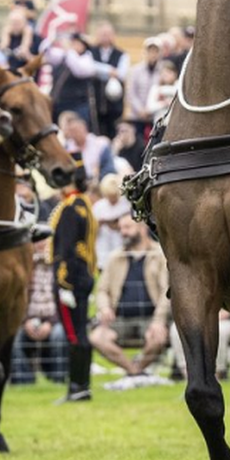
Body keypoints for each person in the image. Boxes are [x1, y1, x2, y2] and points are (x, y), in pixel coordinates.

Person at [89, 215, 171, 380]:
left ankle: (136, 371)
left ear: (142, 228)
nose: (123, 232)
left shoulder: (159, 255)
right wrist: (104, 307)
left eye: (127, 228)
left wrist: (159, 320)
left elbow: (167, 292)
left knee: (157, 337)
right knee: (97, 337)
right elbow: (102, 290)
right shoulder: (115, 257)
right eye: (121, 229)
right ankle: (135, 372)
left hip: (151, 318)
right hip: (120, 319)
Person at [48, 165, 99, 403]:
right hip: (83, 273)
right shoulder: (84, 205)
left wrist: (62, 282)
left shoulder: (70, 209)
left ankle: (77, 387)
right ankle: (83, 385)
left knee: (73, 334)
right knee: (81, 332)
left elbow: (65, 248)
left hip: (69, 276)